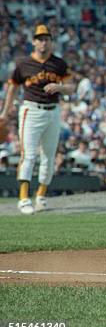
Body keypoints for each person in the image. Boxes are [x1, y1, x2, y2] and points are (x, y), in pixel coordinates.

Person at [0, 24, 75, 215]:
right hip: (31, 110)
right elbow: (13, 88)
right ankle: (24, 198)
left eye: (46, 39)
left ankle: (41, 195)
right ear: (34, 42)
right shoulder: (23, 63)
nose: (43, 42)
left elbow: (71, 87)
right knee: (29, 155)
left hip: (53, 111)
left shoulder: (58, 63)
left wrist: (59, 88)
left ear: (50, 41)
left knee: (49, 156)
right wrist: (5, 111)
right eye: (40, 39)